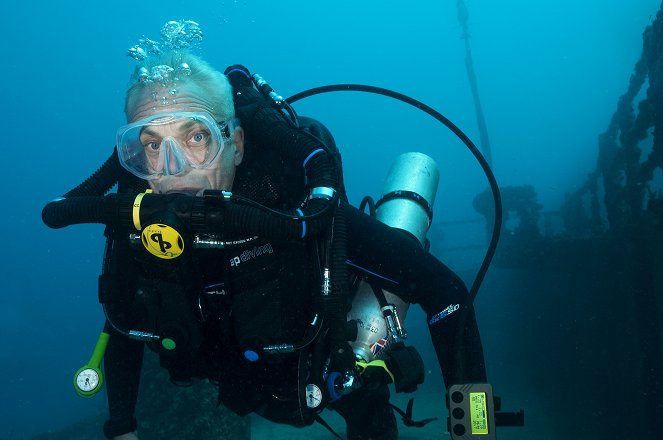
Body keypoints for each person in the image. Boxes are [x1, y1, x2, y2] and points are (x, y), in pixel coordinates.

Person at [46, 43, 487, 439]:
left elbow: (445, 292)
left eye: (195, 137)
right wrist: (121, 424)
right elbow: (123, 324)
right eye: (151, 145)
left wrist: (475, 428)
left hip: (330, 376)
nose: (172, 167)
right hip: (235, 382)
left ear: (235, 144)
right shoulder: (139, 225)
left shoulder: (295, 209)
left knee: (368, 412)